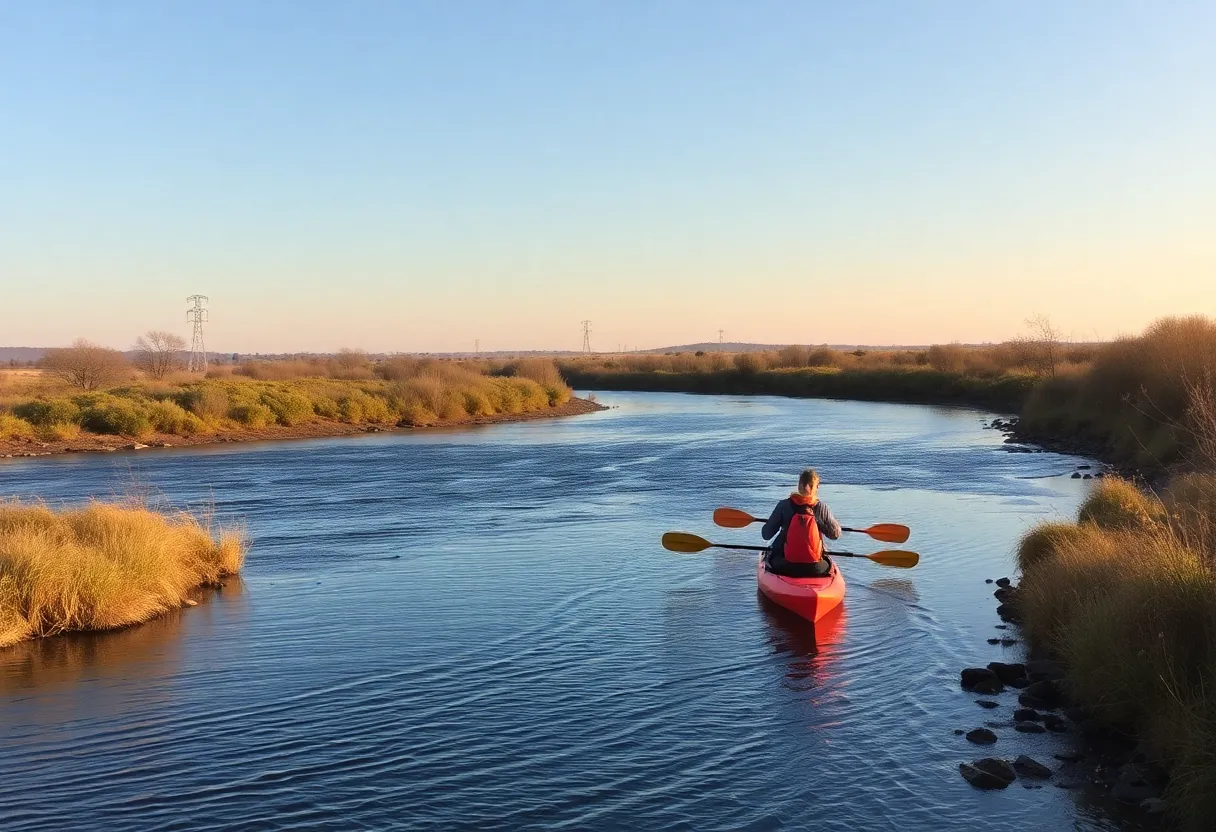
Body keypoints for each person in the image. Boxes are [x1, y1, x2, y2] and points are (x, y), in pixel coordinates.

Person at [761, 468, 842, 578]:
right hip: (815, 568)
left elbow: (766, 535)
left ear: (799, 485)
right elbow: (835, 534)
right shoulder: (822, 507)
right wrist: (818, 522)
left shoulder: (783, 505)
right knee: (827, 560)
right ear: (816, 487)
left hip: (786, 566)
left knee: (769, 555)